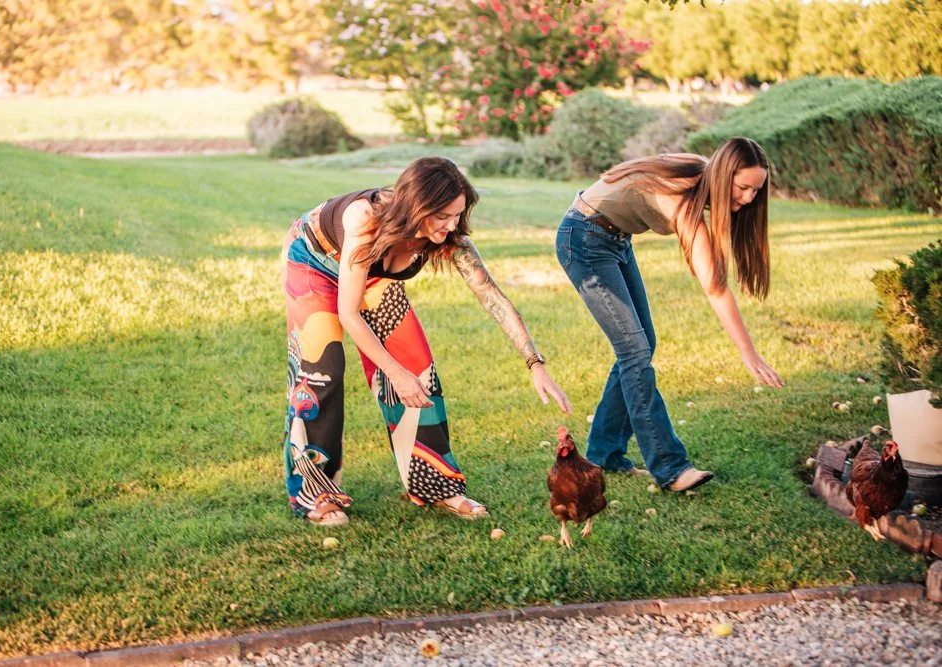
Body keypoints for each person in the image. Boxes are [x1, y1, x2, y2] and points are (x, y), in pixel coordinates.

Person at [282, 157, 571, 526]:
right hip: (313, 261)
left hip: (368, 276)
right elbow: (349, 314)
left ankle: (435, 484)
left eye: (458, 215)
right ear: (417, 206)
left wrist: (536, 363)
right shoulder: (364, 219)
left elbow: (493, 298)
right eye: (443, 216)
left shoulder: (449, 237)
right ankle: (314, 491)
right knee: (322, 369)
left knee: (418, 370)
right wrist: (393, 374)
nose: (452, 225)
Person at [555, 137, 784, 493]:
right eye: (743, 188)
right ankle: (671, 468)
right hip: (583, 238)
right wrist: (748, 352)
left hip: (613, 239)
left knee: (642, 346)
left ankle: (605, 454)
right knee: (635, 352)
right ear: (724, 175)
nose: (749, 198)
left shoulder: (698, 170)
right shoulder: (682, 197)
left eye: (756, 190)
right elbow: (716, 288)